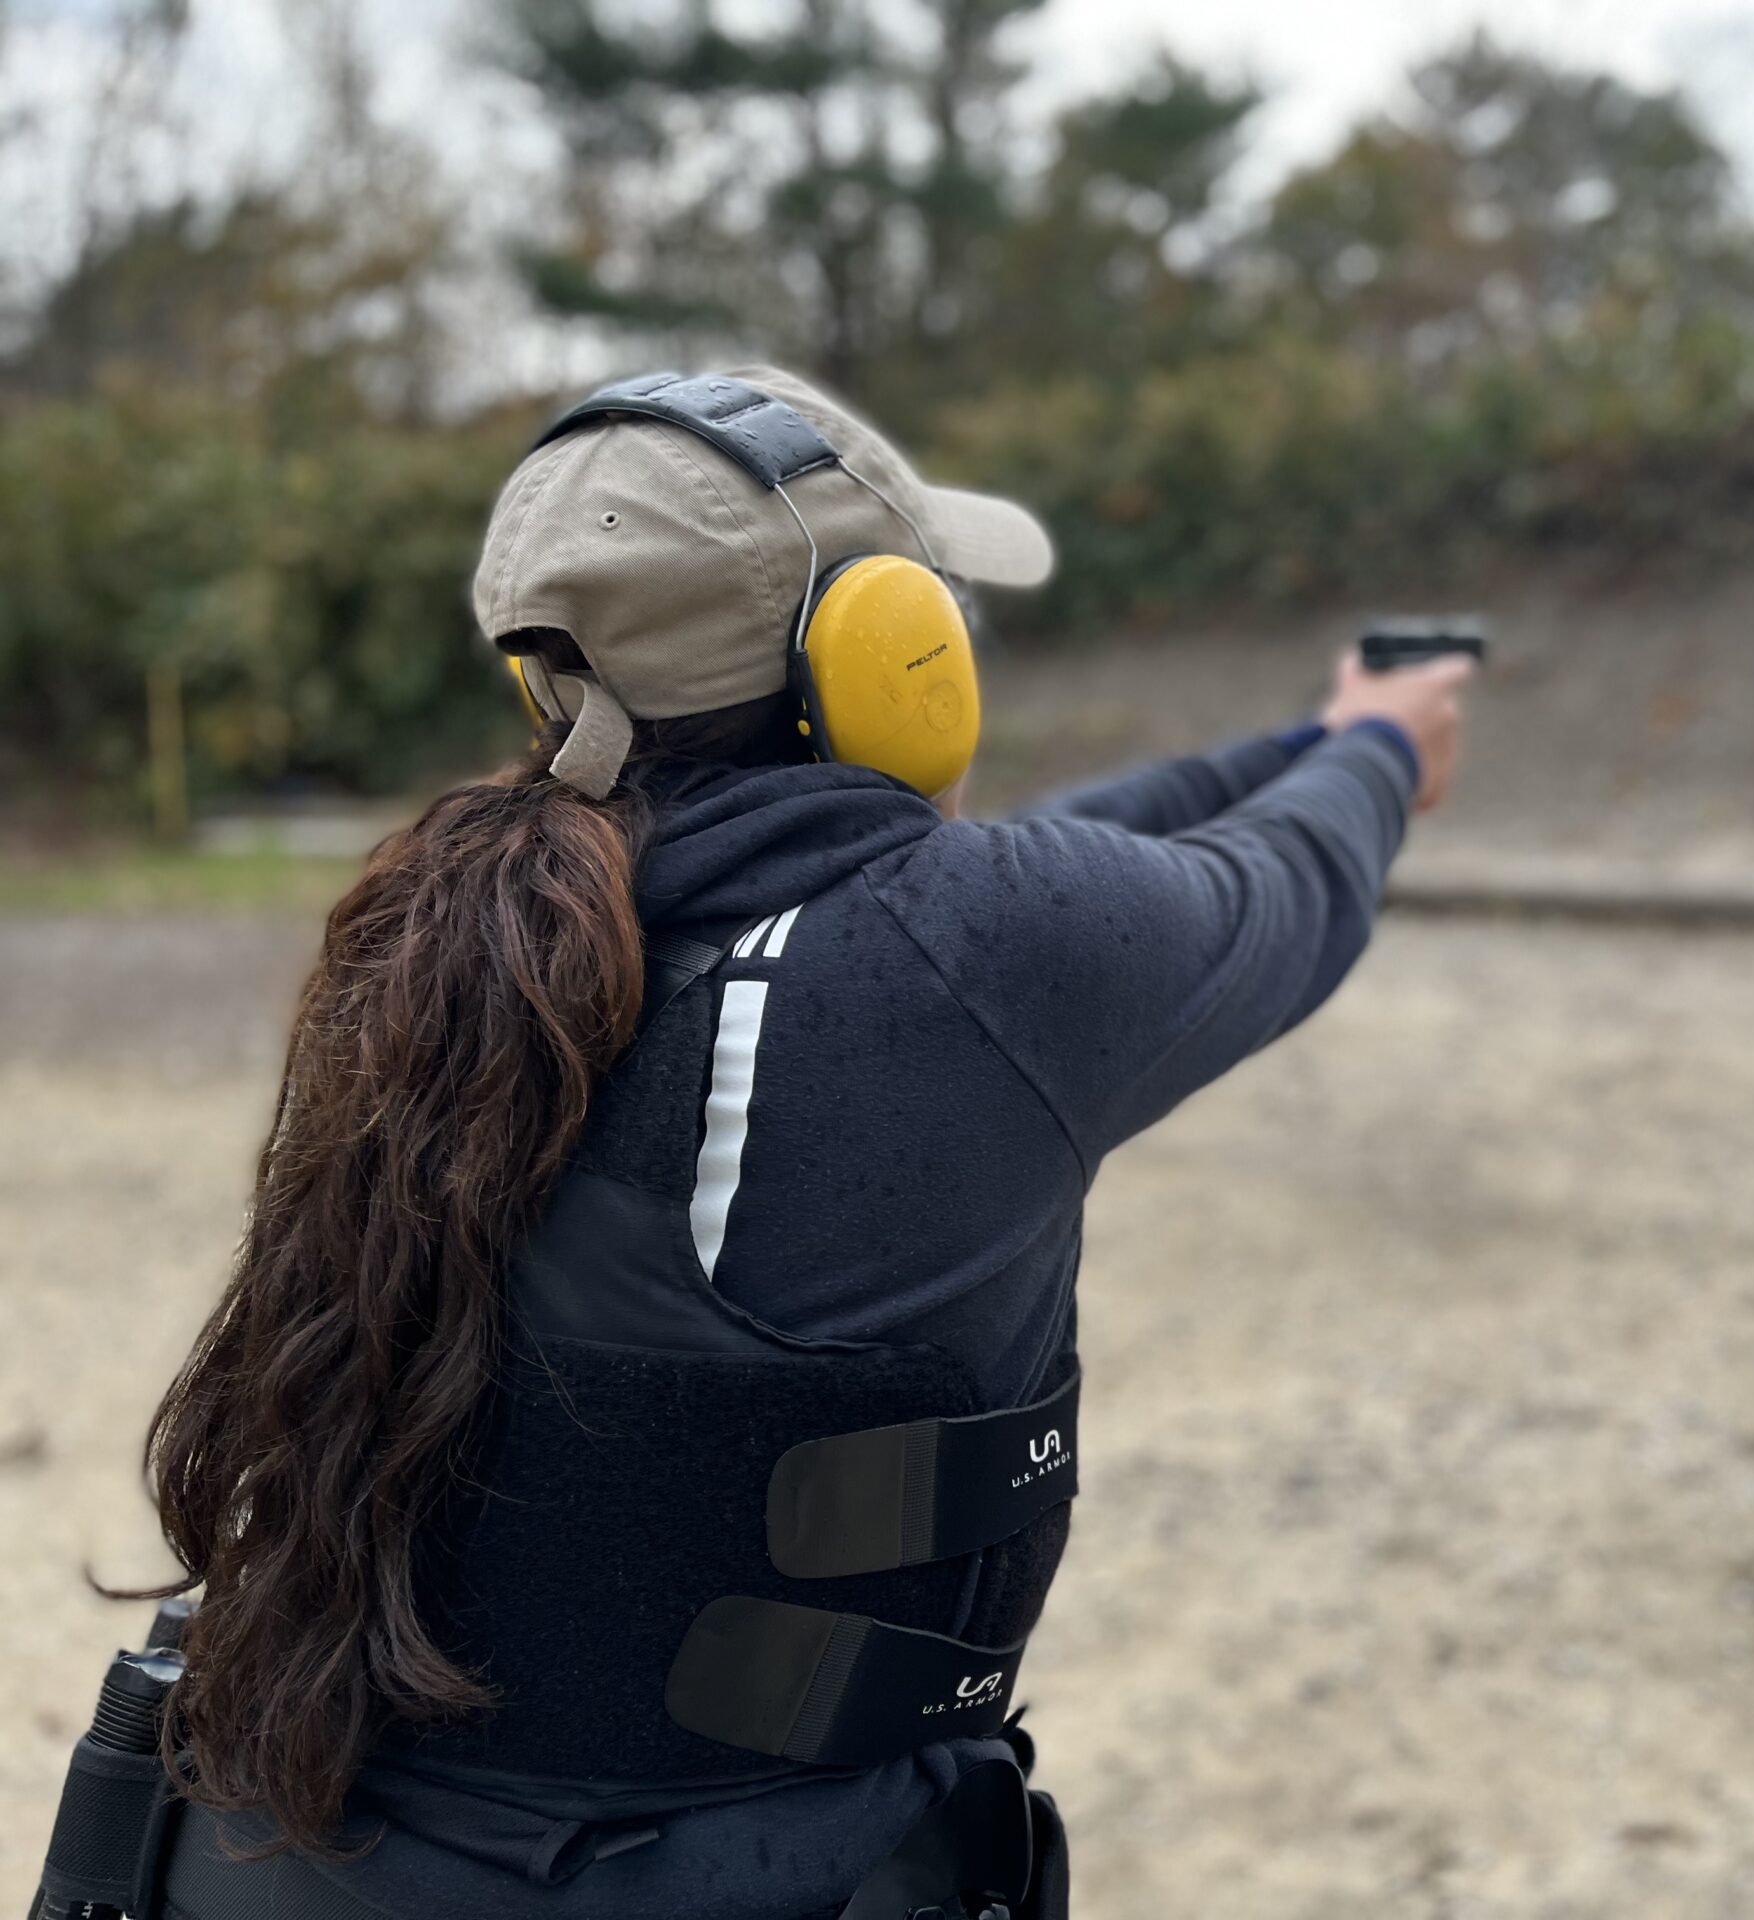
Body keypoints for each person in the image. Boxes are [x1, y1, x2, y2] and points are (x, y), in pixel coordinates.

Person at [114, 367, 1471, 1919]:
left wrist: (1315, 730)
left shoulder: (462, 944)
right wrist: (1376, 754)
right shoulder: (979, 957)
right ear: (890, 656)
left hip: (290, 1857)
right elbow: (1284, 886)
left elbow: (1052, 877)